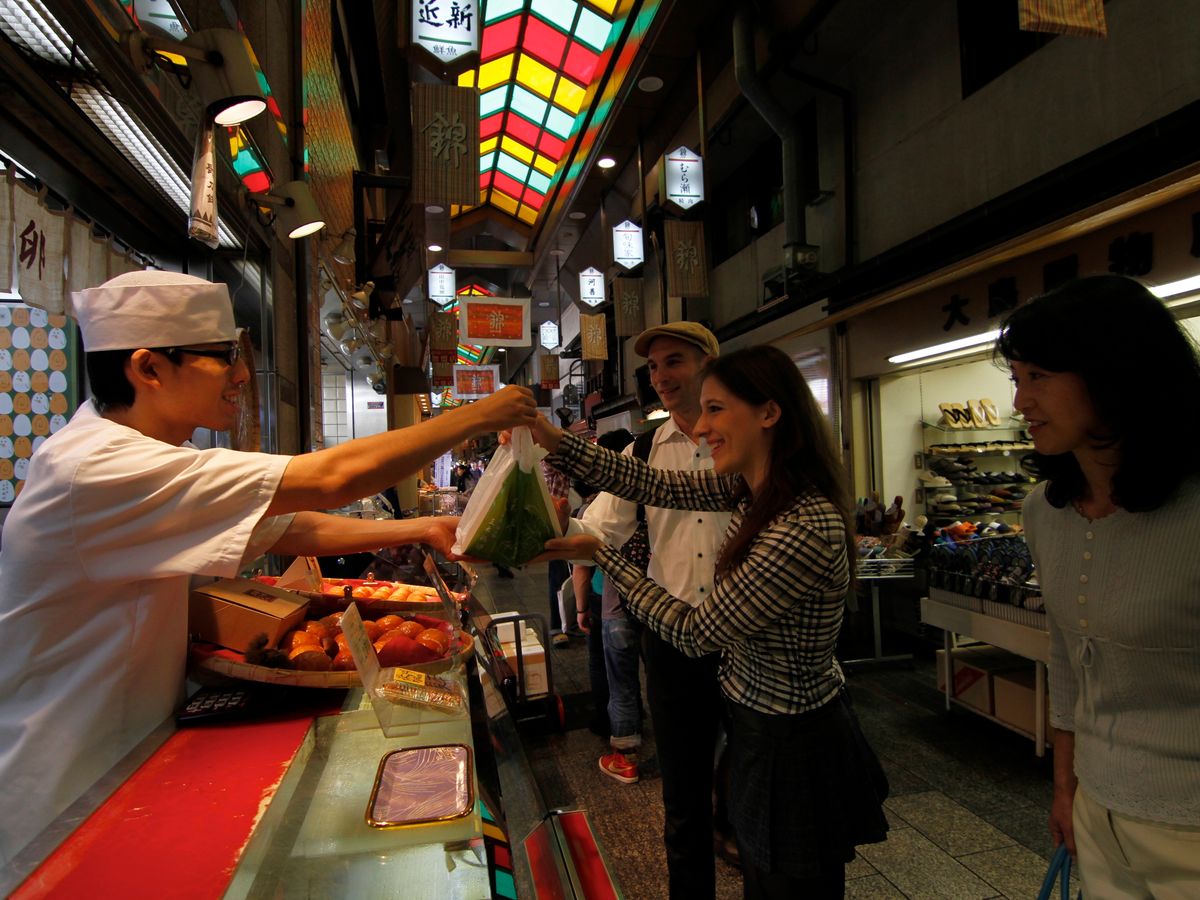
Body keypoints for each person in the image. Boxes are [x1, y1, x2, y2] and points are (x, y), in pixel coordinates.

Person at [0, 271, 537, 865]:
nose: (240, 377)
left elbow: (286, 527)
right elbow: (330, 478)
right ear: (149, 368)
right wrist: (474, 416)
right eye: (223, 356)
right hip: (65, 783)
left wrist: (419, 527)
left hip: (128, 755)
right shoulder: (98, 467)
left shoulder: (147, 458)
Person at [532, 344, 889, 897]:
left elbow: (696, 632)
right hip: (762, 726)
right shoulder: (756, 492)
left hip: (793, 742)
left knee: (790, 886)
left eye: (716, 410)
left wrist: (600, 554)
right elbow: (654, 484)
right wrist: (550, 438)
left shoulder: (801, 524)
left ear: (769, 413)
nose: (700, 428)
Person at [997, 274, 1200, 899]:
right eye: (1016, 378)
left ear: (1114, 371)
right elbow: (1066, 659)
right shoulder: (1045, 510)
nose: (1021, 401)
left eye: (1039, 376)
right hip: (1097, 816)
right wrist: (1067, 787)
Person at [570, 322, 732, 896]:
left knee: (751, 779)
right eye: (654, 367)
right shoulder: (643, 450)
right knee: (682, 789)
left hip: (745, 639)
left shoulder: (740, 443)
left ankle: (742, 840)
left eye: (674, 362)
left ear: (709, 362)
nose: (661, 376)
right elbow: (597, 529)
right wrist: (537, 535)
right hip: (671, 641)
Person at [571, 428, 635, 747]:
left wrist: (580, 608)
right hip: (657, 606)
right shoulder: (651, 501)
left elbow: (582, 568)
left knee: (613, 676)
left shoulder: (595, 508)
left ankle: (622, 746)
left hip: (610, 604)